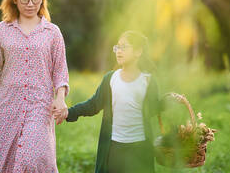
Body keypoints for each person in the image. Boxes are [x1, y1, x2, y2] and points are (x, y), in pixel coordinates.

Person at [0, 0, 69, 173]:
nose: (31, 3)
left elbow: (60, 71)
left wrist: (60, 98)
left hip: (40, 105)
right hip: (7, 104)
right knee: (6, 160)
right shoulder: (2, 30)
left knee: (32, 158)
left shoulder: (52, 32)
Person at [62, 31, 162, 173]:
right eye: (117, 47)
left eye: (124, 47)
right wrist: (69, 112)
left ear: (138, 51)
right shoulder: (111, 78)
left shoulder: (147, 81)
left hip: (140, 149)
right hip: (114, 149)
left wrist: (167, 103)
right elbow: (93, 105)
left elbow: (153, 110)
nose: (118, 51)